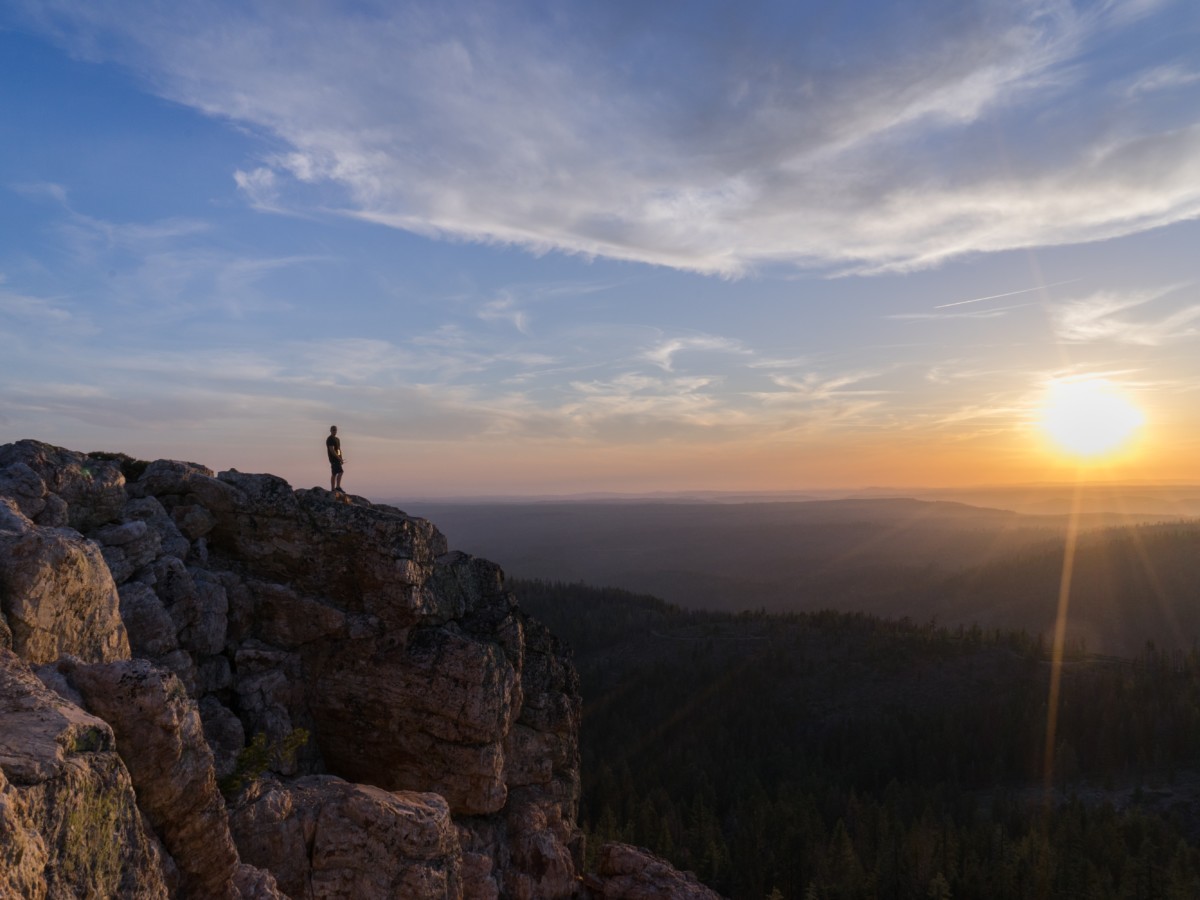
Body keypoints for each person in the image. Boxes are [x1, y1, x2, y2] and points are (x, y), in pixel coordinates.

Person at [326, 425, 344, 492]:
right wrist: (338, 458)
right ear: (330, 430)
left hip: (337, 459)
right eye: (333, 430)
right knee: (340, 472)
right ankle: (337, 487)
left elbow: (338, 449)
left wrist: (341, 458)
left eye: (335, 430)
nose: (334, 431)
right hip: (333, 459)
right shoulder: (330, 439)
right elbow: (332, 450)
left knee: (334, 473)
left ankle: (333, 489)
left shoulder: (337, 439)